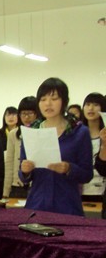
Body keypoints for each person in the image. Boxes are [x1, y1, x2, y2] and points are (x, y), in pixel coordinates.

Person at [19, 78, 93, 216]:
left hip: (68, 207)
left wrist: (69, 168)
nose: (48, 103)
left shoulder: (79, 132)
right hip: (37, 206)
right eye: (43, 99)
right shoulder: (31, 132)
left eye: (54, 98)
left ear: (64, 101)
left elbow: (87, 174)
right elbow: (24, 176)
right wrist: (25, 171)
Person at [3, 97, 37, 198]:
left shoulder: (42, 132)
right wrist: (5, 192)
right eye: (23, 113)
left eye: (30, 113)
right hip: (17, 186)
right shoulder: (13, 134)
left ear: (37, 113)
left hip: (36, 185)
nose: (26, 117)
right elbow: (9, 164)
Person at [80, 92, 106, 204]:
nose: (91, 108)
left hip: (101, 192)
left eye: (96, 105)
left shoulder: (104, 135)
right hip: (79, 191)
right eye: (88, 104)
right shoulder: (77, 134)